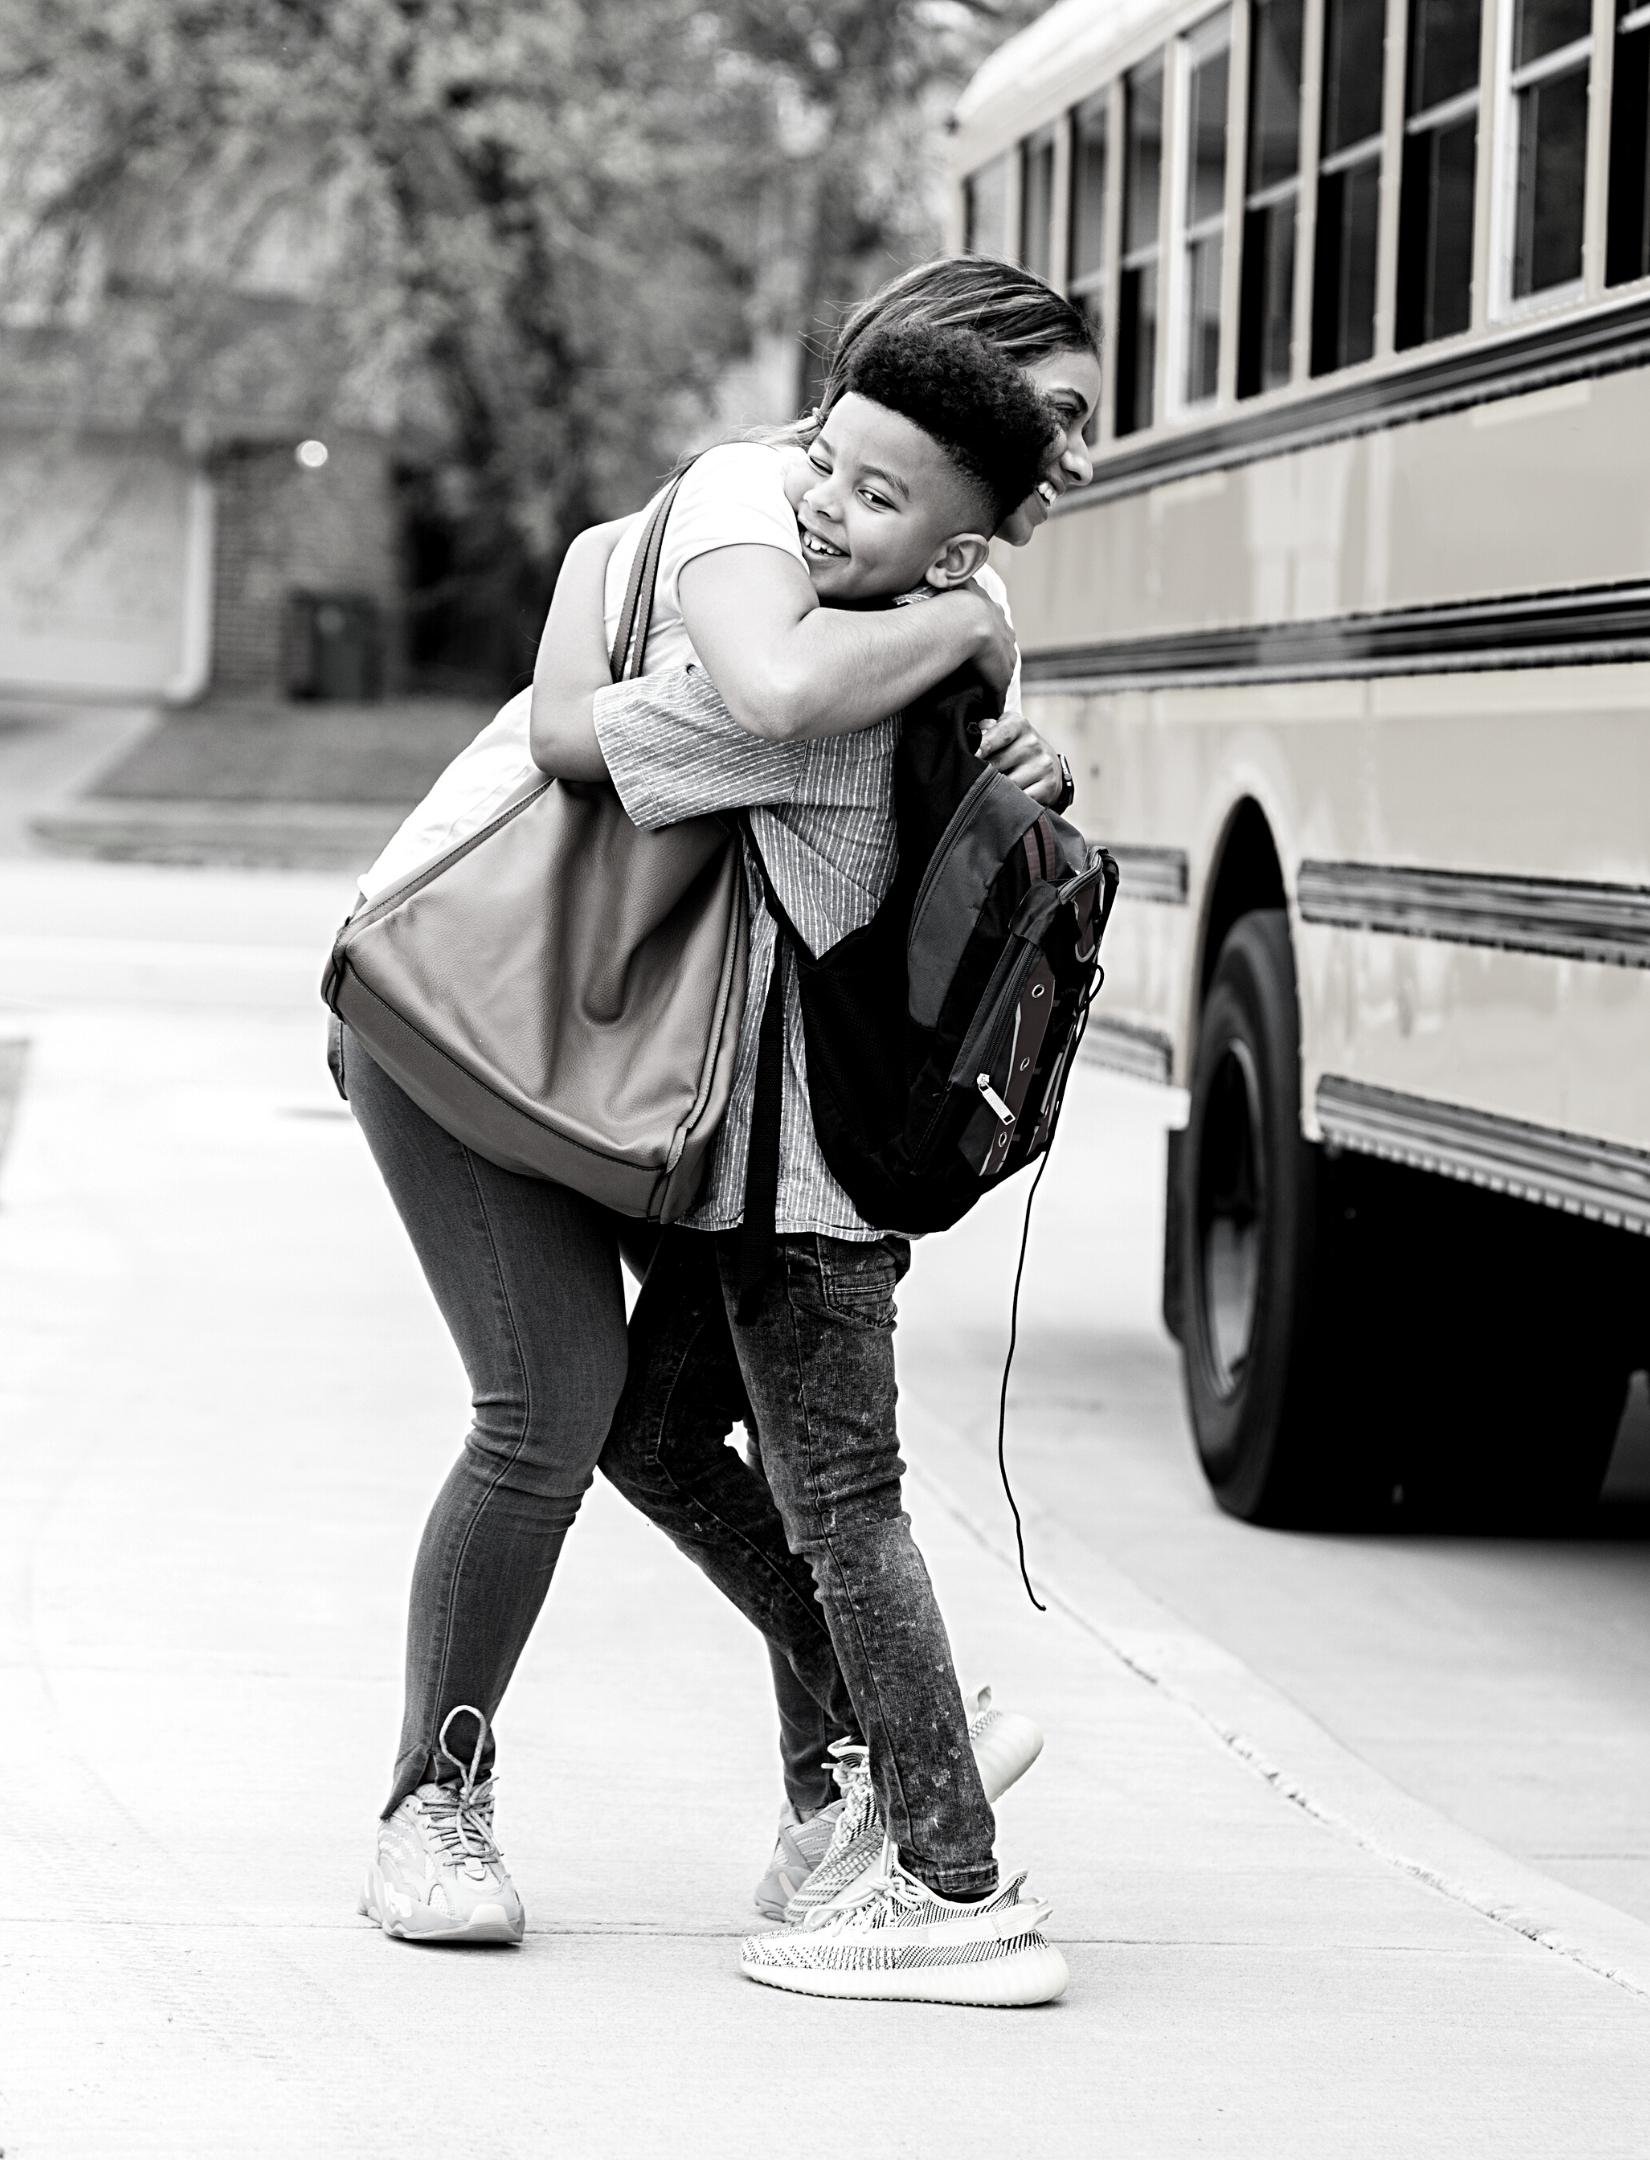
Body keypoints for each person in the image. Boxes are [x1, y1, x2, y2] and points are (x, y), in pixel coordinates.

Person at [343, 256, 1101, 1952]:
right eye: (1051, 414)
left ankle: (906, 1824)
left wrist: (970, 666)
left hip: (740, 1123)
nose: (1077, 456)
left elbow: (621, 721)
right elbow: (663, 718)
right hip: (480, 1028)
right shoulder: (780, 538)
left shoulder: (884, 619)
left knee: (770, 1471)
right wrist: (960, 632)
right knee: (594, 1422)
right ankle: (470, 1805)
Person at [528, 322, 1078, 2006]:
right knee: (647, 1427)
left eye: (878, 494)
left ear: (957, 547)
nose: (824, 509)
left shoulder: (824, 696)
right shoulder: (929, 659)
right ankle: (897, 1723)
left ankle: (952, 1883)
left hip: (808, 1184)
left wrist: (575, 568)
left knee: (845, 1508)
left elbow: (566, 737)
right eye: (822, 466)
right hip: (780, 1165)